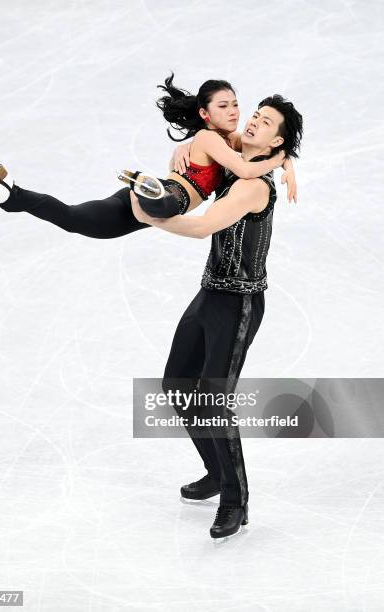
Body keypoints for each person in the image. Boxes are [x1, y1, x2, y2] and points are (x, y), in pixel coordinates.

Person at [130, 94, 304, 539]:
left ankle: (235, 500)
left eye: (266, 123)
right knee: (176, 384)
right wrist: (286, 161)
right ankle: (216, 471)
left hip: (239, 303)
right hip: (210, 293)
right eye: (256, 116)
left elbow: (203, 226)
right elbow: (215, 143)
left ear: (275, 138)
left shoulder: (251, 185)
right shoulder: (240, 164)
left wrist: (147, 216)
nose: (253, 123)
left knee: (212, 397)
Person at [0, 73, 296, 237]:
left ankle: (9, 192)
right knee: (168, 203)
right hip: (173, 195)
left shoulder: (231, 139)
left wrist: (287, 162)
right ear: (206, 114)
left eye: (236, 104)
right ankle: (148, 191)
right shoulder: (210, 138)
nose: (234, 111)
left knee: (74, 220)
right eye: (223, 106)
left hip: (136, 200)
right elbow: (245, 168)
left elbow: (261, 145)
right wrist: (279, 160)